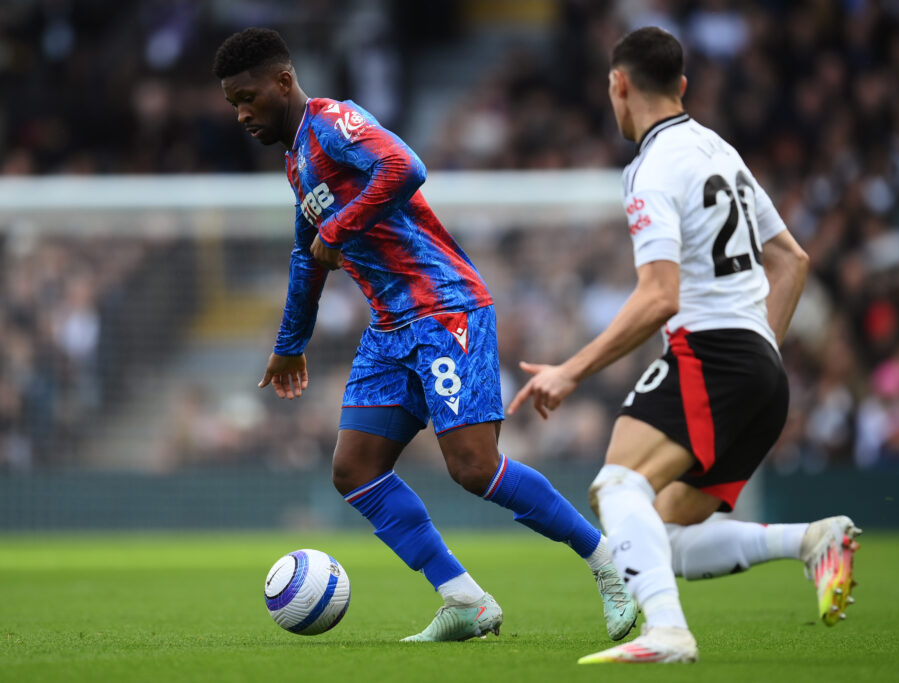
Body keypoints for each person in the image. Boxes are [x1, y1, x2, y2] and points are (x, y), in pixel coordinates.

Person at [212, 27, 637, 643]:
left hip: (444, 309)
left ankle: (608, 564)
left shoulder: (333, 123)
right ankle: (464, 600)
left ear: (283, 81)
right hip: (390, 328)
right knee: (354, 469)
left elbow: (404, 166)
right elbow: (307, 252)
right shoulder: (296, 161)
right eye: (233, 104)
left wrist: (340, 228)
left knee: (473, 467)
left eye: (248, 96)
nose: (242, 113)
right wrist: (290, 342)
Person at [509, 26, 860, 664]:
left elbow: (659, 296)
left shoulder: (650, 169)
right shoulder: (718, 150)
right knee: (657, 536)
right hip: (760, 366)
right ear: (683, 87)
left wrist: (571, 370)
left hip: (713, 354)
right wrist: (762, 353)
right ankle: (813, 540)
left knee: (617, 486)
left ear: (618, 85)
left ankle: (668, 633)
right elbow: (792, 260)